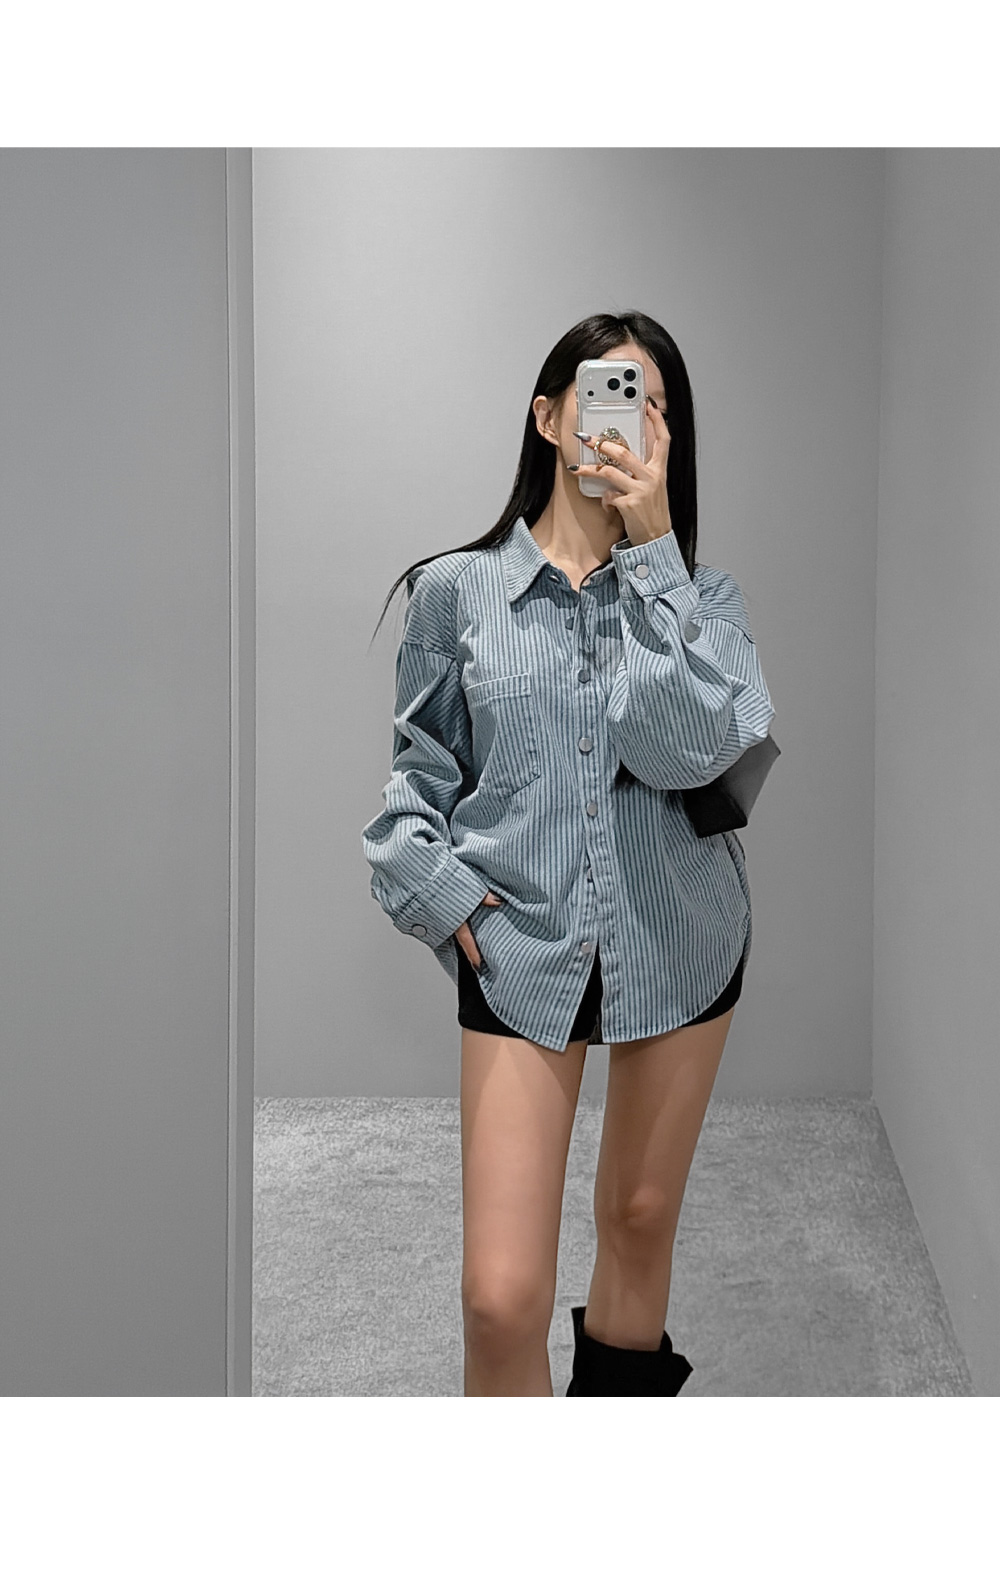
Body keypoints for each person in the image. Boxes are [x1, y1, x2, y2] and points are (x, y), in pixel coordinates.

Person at [361, 311, 775, 1396]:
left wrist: (654, 559)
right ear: (550, 416)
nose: (626, 423)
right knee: (499, 1299)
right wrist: (449, 897)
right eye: (607, 393)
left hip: (678, 935)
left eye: (654, 407)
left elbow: (686, 750)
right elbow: (414, 789)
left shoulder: (705, 601)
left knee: (638, 1220)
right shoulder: (455, 593)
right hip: (521, 946)